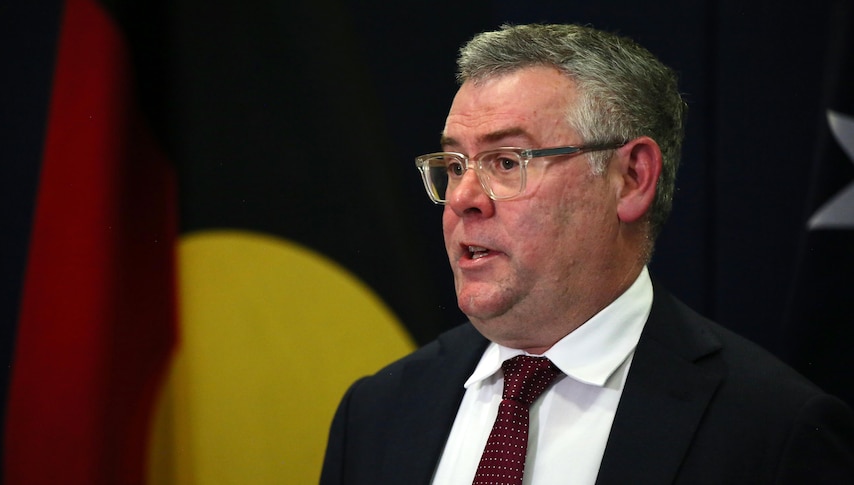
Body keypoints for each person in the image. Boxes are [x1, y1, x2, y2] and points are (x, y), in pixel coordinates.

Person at [319, 23, 854, 484]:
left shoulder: (773, 433)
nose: (463, 198)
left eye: (506, 162)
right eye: (456, 165)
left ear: (631, 179)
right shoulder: (377, 412)